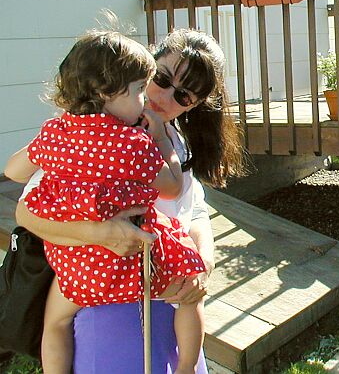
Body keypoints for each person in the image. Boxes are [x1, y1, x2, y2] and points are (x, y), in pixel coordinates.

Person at [13, 28, 245, 374]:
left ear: (194, 106)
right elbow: (27, 211)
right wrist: (102, 234)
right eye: (162, 79)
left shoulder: (173, 138)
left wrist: (204, 264)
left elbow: (194, 210)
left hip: (168, 299)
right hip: (108, 309)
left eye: (184, 97)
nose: (165, 97)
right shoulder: (89, 134)